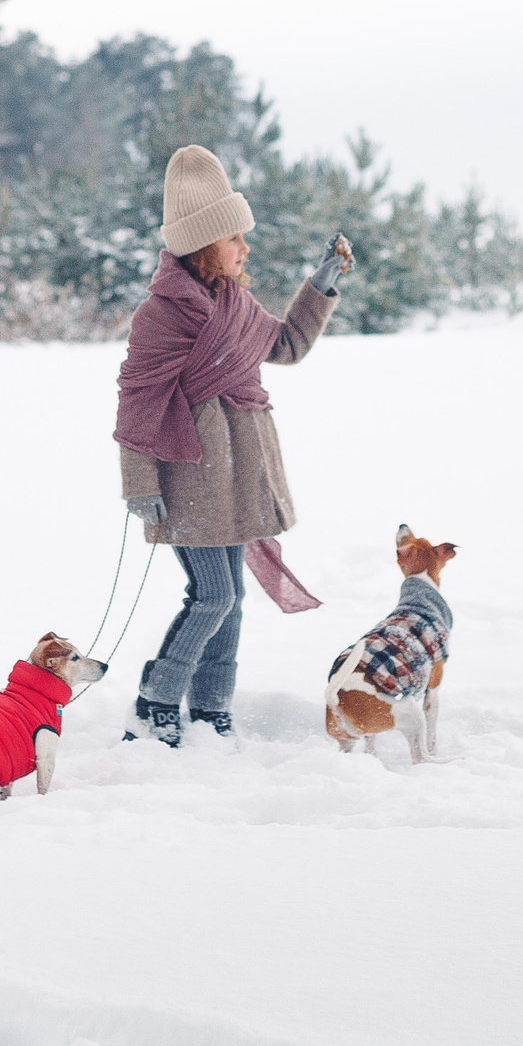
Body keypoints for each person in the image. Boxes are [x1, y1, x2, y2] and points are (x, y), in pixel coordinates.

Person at [113, 144, 354, 747]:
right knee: (213, 595)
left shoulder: (234, 302)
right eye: (234, 239)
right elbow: (137, 401)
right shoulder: (161, 315)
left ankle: (211, 705)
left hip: (239, 473)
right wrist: (140, 486)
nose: (245, 249)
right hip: (189, 478)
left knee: (231, 598)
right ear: (203, 245)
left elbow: (287, 346)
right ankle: (156, 700)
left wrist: (320, 285)